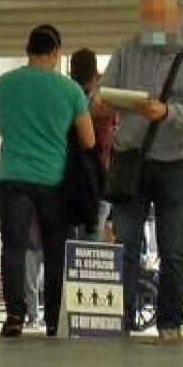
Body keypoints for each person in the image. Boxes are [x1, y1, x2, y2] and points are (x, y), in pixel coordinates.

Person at [96, 0, 183, 341]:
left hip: (176, 163)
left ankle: (170, 323)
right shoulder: (126, 50)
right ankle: (122, 319)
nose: (151, 25)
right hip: (131, 158)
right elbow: (99, 97)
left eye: (158, 18)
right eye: (146, 18)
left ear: (174, 17)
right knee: (125, 245)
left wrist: (167, 112)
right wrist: (105, 103)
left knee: (173, 248)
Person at [0, 25, 95, 337]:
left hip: (12, 175)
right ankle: (53, 319)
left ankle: (14, 316)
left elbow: (0, 121)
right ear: (55, 53)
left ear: (27, 51)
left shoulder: (3, 84)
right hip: (53, 179)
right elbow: (89, 140)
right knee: (54, 249)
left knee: (13, 247)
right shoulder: (70, 90)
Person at [70, 48, 116, 241]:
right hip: (98, 177)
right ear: (95, 74)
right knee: (91, 243)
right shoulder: (103, 102)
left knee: (68, 239)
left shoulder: (66, 97)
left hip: (68, 176)